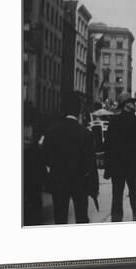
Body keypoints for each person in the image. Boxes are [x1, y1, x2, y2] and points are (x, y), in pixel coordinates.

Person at [42, 94, 96, 224]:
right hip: (80, 182)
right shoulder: (85, 133)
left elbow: (45, 158)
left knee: (60, 218)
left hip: (58, 181)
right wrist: (94, 187)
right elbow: (90, 162)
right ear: (78, 111)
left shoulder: (51, 131)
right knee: (82, 217)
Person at [104, 92, 136, 222]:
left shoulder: (113, 121)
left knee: (117, 193)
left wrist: (108, 166)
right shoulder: (135, 120)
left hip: (117, 164)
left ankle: (116, 217)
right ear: (126, 105)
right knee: (133, 191)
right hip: (132, 164)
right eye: (132, 102)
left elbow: (108, 145)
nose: (134, 104)